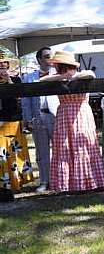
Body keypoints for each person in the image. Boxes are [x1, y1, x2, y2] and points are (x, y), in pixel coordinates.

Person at [41, 51, 104, 192]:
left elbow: (91, 74)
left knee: (83, 147)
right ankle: (68, 185)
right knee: (65, 149)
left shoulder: (81, 75)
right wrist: (63, 77)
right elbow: (42, 81)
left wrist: (72, 76)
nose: (54, 67)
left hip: (80, 114)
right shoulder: (57, 78)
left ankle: (86, 183)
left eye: (57, 65)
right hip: (65, 115)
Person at [21, 46, 59, 192]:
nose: (50, 58)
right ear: (39, 59)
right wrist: (27, 120)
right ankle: (44, 182)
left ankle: (59, 179)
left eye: (51, 55)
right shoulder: (29, 77)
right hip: (38, 117)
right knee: (41, 153)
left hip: (56, 117)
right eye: (47, 56)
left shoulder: (59, 74)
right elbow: (25, 101)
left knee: (60, 150)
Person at [0, 51, 33, 201]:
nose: (2, 65)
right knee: (2, 156)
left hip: (13, 122)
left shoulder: (16, 79)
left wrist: (9, 81)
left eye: (4, 62)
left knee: (14, 155)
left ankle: (15, 184)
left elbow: (19, 97)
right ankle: (4, 187)